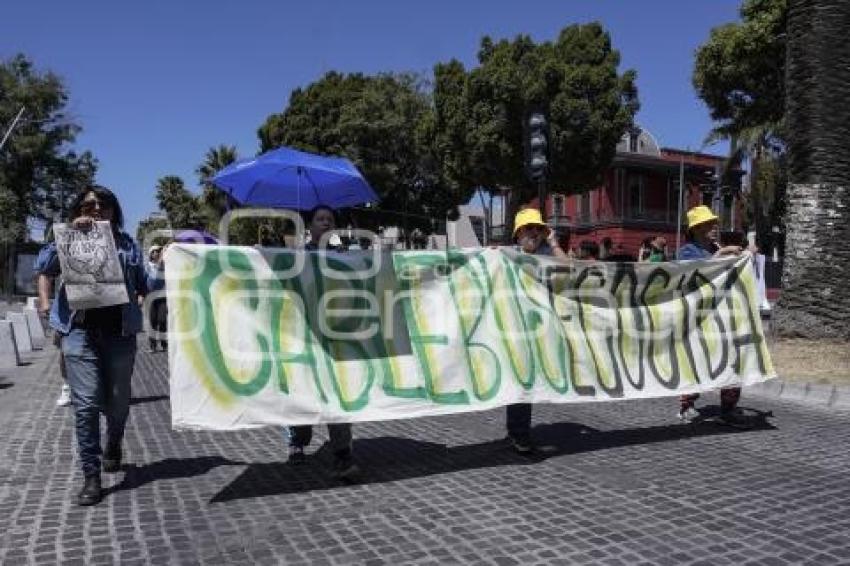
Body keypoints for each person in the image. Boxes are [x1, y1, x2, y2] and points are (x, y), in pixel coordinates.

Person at [35, 185, 146, 506]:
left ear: (114, 210)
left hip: (120, 333)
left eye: (104, 204)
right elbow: (45, 267)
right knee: (86, 406)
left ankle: (114, 442)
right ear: (78, 210)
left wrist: (168, 264)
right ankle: (91, 475)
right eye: (88, 205)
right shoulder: (66, 236)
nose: (96, 209)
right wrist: (68, 233)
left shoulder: (127, 244)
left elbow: (144, 284)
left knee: (118, 402)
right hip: (79, 332)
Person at [286, 205, 358, 480]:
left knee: (336, 395)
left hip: (335, 338)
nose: (326, 223)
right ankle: (297, 440)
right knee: (302, 392)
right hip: (303, 336)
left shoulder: (344, 256)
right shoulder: (297, 256)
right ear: (310, 225)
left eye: (330, 219)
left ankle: (342, 454)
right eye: (320, 219)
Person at [676, 205, 747, 426]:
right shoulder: (686, 251)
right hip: (698, 317)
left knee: (732, 359)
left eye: (714, 223)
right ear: (696, 229)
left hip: (723, 314)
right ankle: (687, 405)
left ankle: (728, 408)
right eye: (708, 224)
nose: (714, 227)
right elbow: (693, 277)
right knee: (698, 361)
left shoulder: (717, 247)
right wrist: (721, 254)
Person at [506, 208, 567, 454]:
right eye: (528, 228)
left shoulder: (548, 255)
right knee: (520, 380)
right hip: (511, 327)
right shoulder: (505, 256)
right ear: (517, 233)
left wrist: (553, 243)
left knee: (527, 380)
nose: (534, 232)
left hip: (541, 328)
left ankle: (517, 431)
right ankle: (518, 433)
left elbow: (569, 268)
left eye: (538, 228)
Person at [35, 270, 71, 406]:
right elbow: (45, 271)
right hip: (67, 310)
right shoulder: (62, 248)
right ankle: (67, 386)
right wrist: (45, 301)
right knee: (65, 351)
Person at [145, 245, 168, 352]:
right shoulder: (147, 266)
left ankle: (164, 344)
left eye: (158, 251)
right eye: (154, 251)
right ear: (151, 254)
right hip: (151, 296)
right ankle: (153, 346)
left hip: (162, 296)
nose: (157, 253)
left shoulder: (163, 265)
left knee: (162, 320)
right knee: (152, 321)